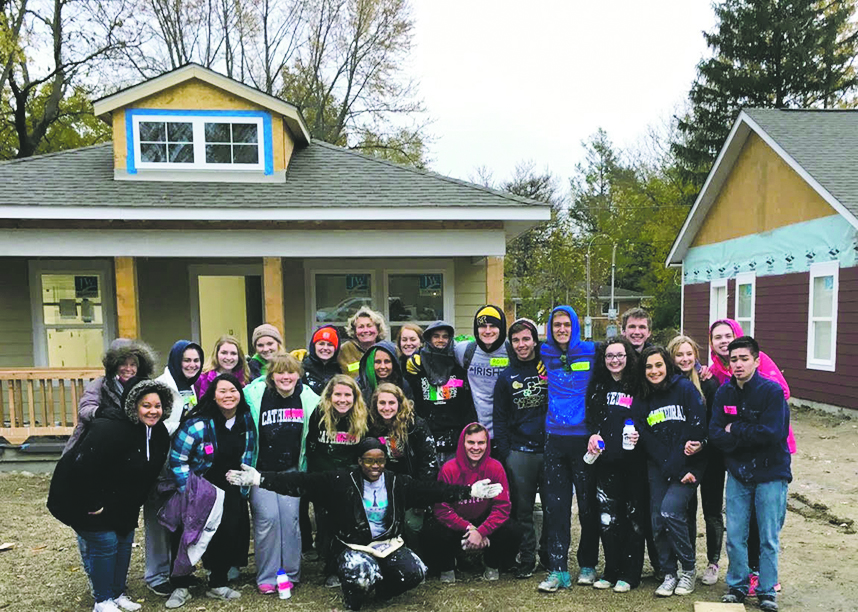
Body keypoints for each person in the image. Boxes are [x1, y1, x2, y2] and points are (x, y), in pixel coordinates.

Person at [224, 438, 503, 611]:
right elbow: (300, 483)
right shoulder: (340, 481)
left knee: (416, 571)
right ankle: (353, 600)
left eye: (380, 460)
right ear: (359, 461)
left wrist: (469, 492)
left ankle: (379, 593)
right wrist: (261, 480)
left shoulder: (397, 482)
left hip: (388, 543)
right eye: (369, 460)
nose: (375, 466)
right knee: (361, 574)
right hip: (353, 545)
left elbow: (433, 490)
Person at [48, 378, 172, 612]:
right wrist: (92, 502)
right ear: (134, 406)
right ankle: (102, 600)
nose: (153, 411)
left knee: (124, 541)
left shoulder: (159, 433)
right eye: (146, 405)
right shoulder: (111, 429)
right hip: (83, 496)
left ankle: (117, 594)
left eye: (158, 406)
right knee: (105, 543)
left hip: (121, 500)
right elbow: (81, 466)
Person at [709, 318, 795, 595]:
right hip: (738, 471)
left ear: (757, 361)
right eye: (733, 359)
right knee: (735, 536)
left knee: (768, 537)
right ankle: (737, 586)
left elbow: (772, 434)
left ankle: (767, 590)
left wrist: (736, 429)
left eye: (744, 358)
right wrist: (740, 437)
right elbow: (715, 433)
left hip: (771, 471)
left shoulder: (771, 391)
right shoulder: (725, 391)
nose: (737, 364)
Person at [166, 374, 257, 609]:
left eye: (233, 390)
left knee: (227, 532)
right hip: (199, 487)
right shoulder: (198, 423)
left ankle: (217, 581)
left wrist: (242, 481)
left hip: (230, 488)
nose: (228, 395)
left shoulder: (245, 420)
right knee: (186, 536)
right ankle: (181, 585)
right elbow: (178, 459)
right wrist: (189, 491)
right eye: (222, 391)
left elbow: (248, 451)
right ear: (213, 395)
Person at [634, 346, 707, 598]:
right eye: (648, 367)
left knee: (671, 511)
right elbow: (648, 440)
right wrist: (671, 468)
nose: (654, 371)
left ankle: (688, 569)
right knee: (657, 519)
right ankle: (668, 572)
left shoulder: (684, 389)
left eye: (658, 365)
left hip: (688, 467)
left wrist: (682, 469)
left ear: (667, 365)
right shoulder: (642, 398)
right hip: (659, 466)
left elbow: (696, 429)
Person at [244, 353, 320, 594]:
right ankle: (266, 575)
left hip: (291, 471)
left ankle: (290, 573)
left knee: (291, 522)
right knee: (267, 521)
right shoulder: (255, 395)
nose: (286, 377)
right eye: (280, 372)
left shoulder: (309, 398)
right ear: (271, 376)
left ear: (298, 375)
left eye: (291, 372)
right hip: (261, 470)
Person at [537, 305, 599, 593]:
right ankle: (557, 569)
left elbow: (627, 358)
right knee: (556, 506)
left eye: (566, 324)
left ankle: (587, 564)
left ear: (575, 326)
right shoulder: (545, 353)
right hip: (554, 438)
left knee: (587, 505)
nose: (562, 329)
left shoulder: (592, 351)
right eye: (556, 324)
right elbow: (512, 349)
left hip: (583, 439)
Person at [422, 423, 521, 583]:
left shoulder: (495, 467)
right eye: (471, 442)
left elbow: (502, 507)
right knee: (432, 531)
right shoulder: (449, 469)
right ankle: (447, 565)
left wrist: (481, 532)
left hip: (483, 519)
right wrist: (469, 528)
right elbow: (441, 509)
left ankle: (492, 563)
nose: (476, 447)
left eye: (481, 443)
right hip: (457, 524)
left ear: (487, 444)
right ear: (463, 443)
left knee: (513, 530)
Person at [584, 336, 645, 593]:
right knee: (608, 518)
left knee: (633, 517)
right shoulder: (598, 385)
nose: (615, 360)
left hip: (634, 461)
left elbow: (647, 416)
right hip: (605, 461)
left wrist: (639, 433)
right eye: (610, 356)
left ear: (628, 357)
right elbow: (591, 417)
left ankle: (630, 574)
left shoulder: (639, 384)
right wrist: (593, 434)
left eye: (620, 355)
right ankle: (611, 570)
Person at [492, 318, 548, 579]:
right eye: (516, 340)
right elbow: (499, 418)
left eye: (526, 339)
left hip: (550, 449)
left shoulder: (548, 367)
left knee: (553, 508)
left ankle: (550, 555)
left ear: (535, 340)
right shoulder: (505, 377)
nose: (522, 345)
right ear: (510, 344)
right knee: (522, 510)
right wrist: (506, 453)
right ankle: (527, 557)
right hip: (519, 452)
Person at [668, 335, 724, 586]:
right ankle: (686, 561)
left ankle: (713, 562)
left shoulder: (708, 383)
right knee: (686, 511)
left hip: (710, 457)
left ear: (696, 355)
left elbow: (716, 421)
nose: (685, 359)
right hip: (685, 458)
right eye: (679, 354)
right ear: (672, 357)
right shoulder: (669, 384)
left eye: (689, 354)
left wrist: (704, 443)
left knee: (712, 511)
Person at [304, 374, 369, 586]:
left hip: (351, 481)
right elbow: (311, 449)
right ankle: (330, 568)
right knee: (325, 524)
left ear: (355, 397)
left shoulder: (362, 417)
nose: (342, 399)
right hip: (324, 480)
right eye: (337, 394)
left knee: (350, 523)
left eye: (347, 395)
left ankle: (350, 563)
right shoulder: (318, 416)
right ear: (329, 397)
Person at [367, 382, 438, 551]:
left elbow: (429, 463)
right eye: (382, 403)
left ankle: (418, 560)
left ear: (400, 403)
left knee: (411, 525)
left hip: (411, 488)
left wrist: (421, 497)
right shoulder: (370, 427)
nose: (386, 407)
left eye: (391, 403)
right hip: (382, 489)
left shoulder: (416, 426)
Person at [63, 339, 157, 455]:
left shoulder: (144, 387)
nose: (128, 369)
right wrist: (101, 412)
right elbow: (84, 410)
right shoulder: (99, 385)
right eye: (123, 364)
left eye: (132, 365)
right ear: (114, 365)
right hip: (97, 446)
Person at [405, 321, 476, 464]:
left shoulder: (459, 363)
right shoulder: (418, 363)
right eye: (436, 336)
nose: (440, 340)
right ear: (429, 339)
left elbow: (467, 401)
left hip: (455, 438)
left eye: (445, 336)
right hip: (427, 436)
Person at [455, 305, 509, 441]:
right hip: (474, 433)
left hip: (505, 430)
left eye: (493, 326)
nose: (488, 331)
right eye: (483, 326)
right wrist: (417, 357)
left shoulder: (512, 351)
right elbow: (438, 352)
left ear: (501, 328)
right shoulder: (464, 351)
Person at [158, 340, 204, 429]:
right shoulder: (159, 385)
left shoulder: (190, 384)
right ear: (176, 361)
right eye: (187, 360)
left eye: (196, 360)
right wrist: (180, 427)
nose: (192, 365)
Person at [356, 340, 413, 406]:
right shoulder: (360, 386)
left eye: (387, 361)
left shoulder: (403, 385)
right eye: (377, 362)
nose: (382, 366)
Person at [338, 307, 388, 379]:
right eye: (361, 327)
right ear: (354, 331)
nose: (365, 330)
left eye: (369, 326)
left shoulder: (387, 349)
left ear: (378, 329)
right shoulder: (344, 350)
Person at [301, 325, 342, 395]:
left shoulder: (341, 368)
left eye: (330, 345)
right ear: (314, 346)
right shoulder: (302, 367)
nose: (325, 348)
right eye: (321, 344)